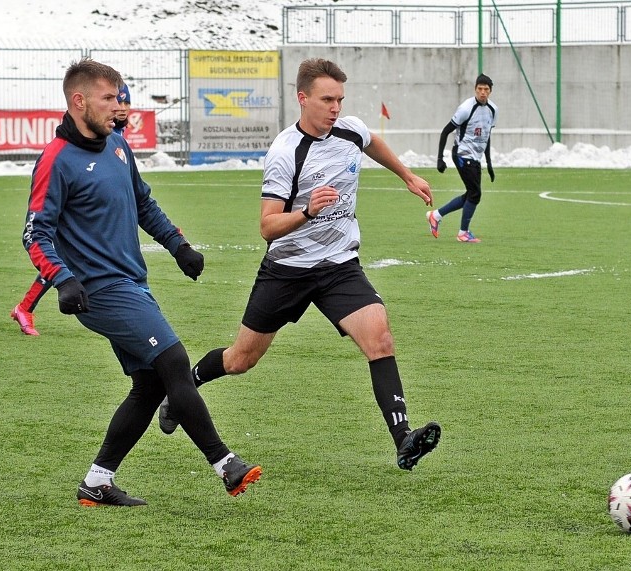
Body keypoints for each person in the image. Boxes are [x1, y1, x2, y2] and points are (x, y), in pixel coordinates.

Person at [158, 58, 442, 472]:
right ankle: (184, 389)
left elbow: (372, 142)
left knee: (379, 338)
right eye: (327, 99)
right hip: (287, 270)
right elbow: (267, 226)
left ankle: (404, 439)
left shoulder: (350, 129)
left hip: (339, 264)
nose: (335, 108)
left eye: (340, 99)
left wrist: (408, 176)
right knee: (241, 359)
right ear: (302, 98)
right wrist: (307, 211)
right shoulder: (285, 153)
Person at [22, 59, 260, 506]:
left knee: (150, 385)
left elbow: (143, 202)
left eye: (118, 97)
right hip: (99, 292)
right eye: (108, 98)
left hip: (132, 283)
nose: (118, 106)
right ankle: (225, 464)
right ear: (79, 101)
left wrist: (178, 245)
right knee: (173, 360)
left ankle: (97, 481)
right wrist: (63, 280)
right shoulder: (56, 160)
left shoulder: (116, 146)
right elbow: (35, 233)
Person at [11, 83, 133, 335]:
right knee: (65, 261)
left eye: (124, 102)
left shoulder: (116, 134)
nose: (120, 107)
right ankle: (24, 308)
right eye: (113, 100)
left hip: (100, 218)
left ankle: (24, 308)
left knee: (69, 262)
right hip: (77, 212)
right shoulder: (84, 139)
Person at [428, 74, 498, 243]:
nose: (482, 92)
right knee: (475, 194)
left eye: (486, 89)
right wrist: (440, 158)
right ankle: (463, 233)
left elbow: (487, 136)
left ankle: (435, 215)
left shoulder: (493, 110)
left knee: (471, 194)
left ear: (490, 91)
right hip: (462, 154)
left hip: (475, 157)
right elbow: (446, 131)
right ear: (475, 89)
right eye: (479, 89)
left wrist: (488, 163)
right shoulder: (466, 108)